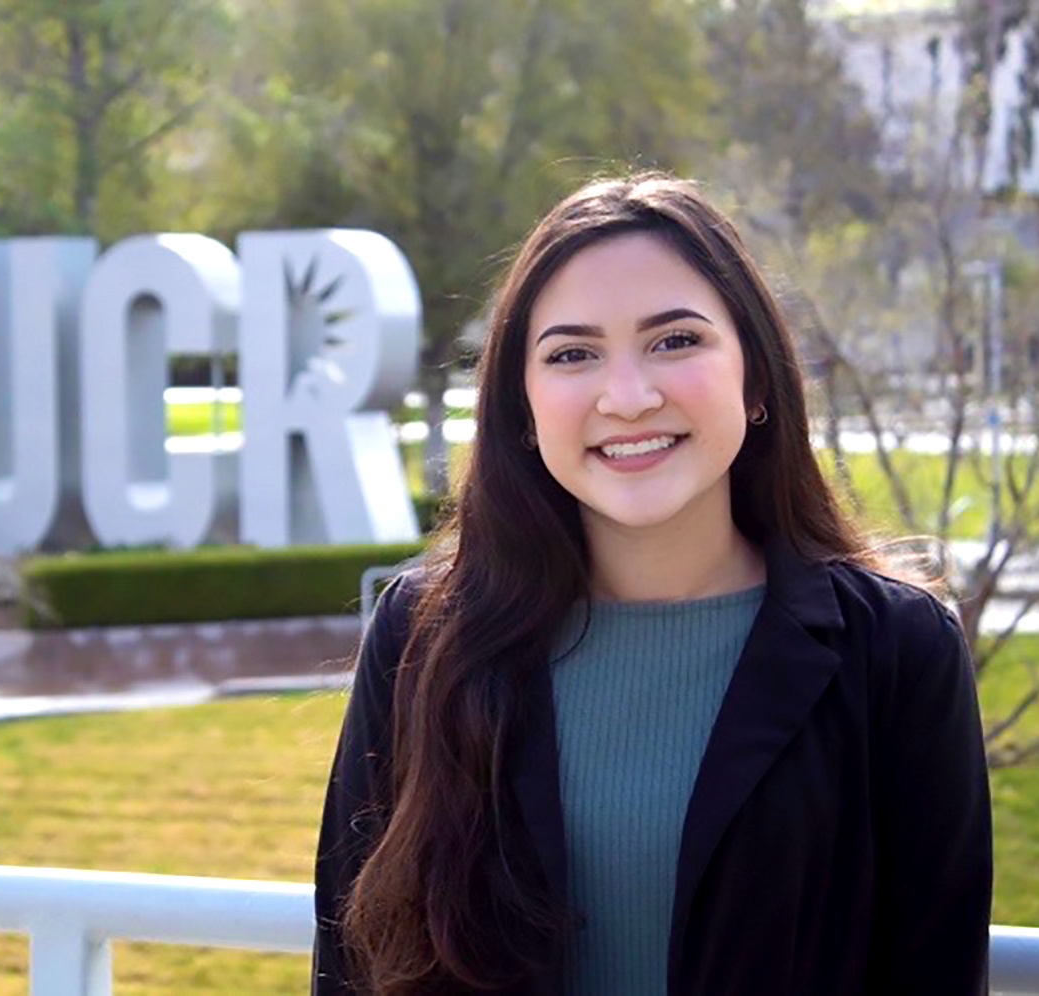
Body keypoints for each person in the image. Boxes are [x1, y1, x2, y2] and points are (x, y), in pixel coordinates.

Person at [311, 174, 992, 996]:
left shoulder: (897, 650)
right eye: (572, 354)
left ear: (758, 378)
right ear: (522, 408)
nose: (628, 397)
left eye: (675, 341)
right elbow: (349, 971)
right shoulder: (423, 634)